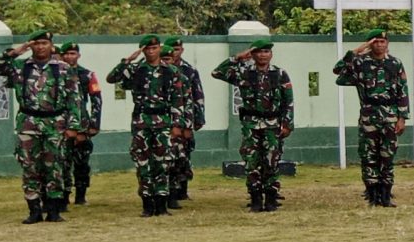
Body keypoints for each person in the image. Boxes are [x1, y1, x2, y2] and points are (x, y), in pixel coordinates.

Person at [0, 30, 78, 224]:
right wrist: (14, 52)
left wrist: (74, 126)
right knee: (29, 166)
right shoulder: (20, 66)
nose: (41, 47)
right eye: (36, 43)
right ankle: (34, 209)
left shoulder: (63, 68)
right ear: (31, 46)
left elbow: (74, 98)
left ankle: (53, 209)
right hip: (28, 122)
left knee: (55, 166)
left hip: (55, 124)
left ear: (51, 45)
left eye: (44, 43)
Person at [106, 36, 187, 216]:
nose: (151, 52)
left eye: (154, 48)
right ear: (143, 50)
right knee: (143, 163)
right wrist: (127, 61)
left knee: (163, 163)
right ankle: (147, 204)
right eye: (147, 49)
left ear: (160, 48)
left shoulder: (172, 71)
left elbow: (178, 99)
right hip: (142, 122)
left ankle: (161, 203)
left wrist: (177, 124)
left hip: (164, 121)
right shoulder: (136, 70)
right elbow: (112, 79)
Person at [213, 38, 296, 212]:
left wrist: (287, 124)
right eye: (259, 52)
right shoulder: (244, 73)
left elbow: (288, 101)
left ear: (271, 54)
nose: (263, 55)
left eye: (266, 52)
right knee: (252, 162)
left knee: (271, 161)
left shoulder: (280, 74)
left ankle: (271, 199)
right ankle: (256, 199)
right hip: (251, 126)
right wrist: (238, 57)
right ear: (252, 54)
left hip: (273, 125)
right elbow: (217, 72)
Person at [334, 29, 409, 207]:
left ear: (387, 44)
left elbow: (403, 91)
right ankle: (372, 194)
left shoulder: (395, 63)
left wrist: (402, 117)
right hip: (369, 115)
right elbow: (338, 72)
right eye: (375, 42)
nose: (380, 45)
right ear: (369, 44)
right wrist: (356, 51)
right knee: (369, 156)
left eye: (383, 42)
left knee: (387, 155)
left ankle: (386, 194)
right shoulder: (360, 63)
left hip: (390, 116)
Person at [58, 41, 101, 205]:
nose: (70, 57)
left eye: (73, 53)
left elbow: (97, 100)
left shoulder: (87, 75)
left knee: (82, 161)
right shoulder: (56, 74)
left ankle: (81, 195)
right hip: (61, 124)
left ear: (78, 55)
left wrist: (94, 124)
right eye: (67, 54)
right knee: (62, 161)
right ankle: (63, 195)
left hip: (82, 124)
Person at [165, 38, 205, 203]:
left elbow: (197, 95)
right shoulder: (160, 70)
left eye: (178, 49)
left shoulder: (189, 70)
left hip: (185, 119)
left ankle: (182, 189)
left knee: (184, 154)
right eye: (172, 49)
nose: (175, 52)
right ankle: (169, 192)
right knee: (170, 155)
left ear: (182, 50)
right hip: (166, 119)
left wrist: (198, 118)